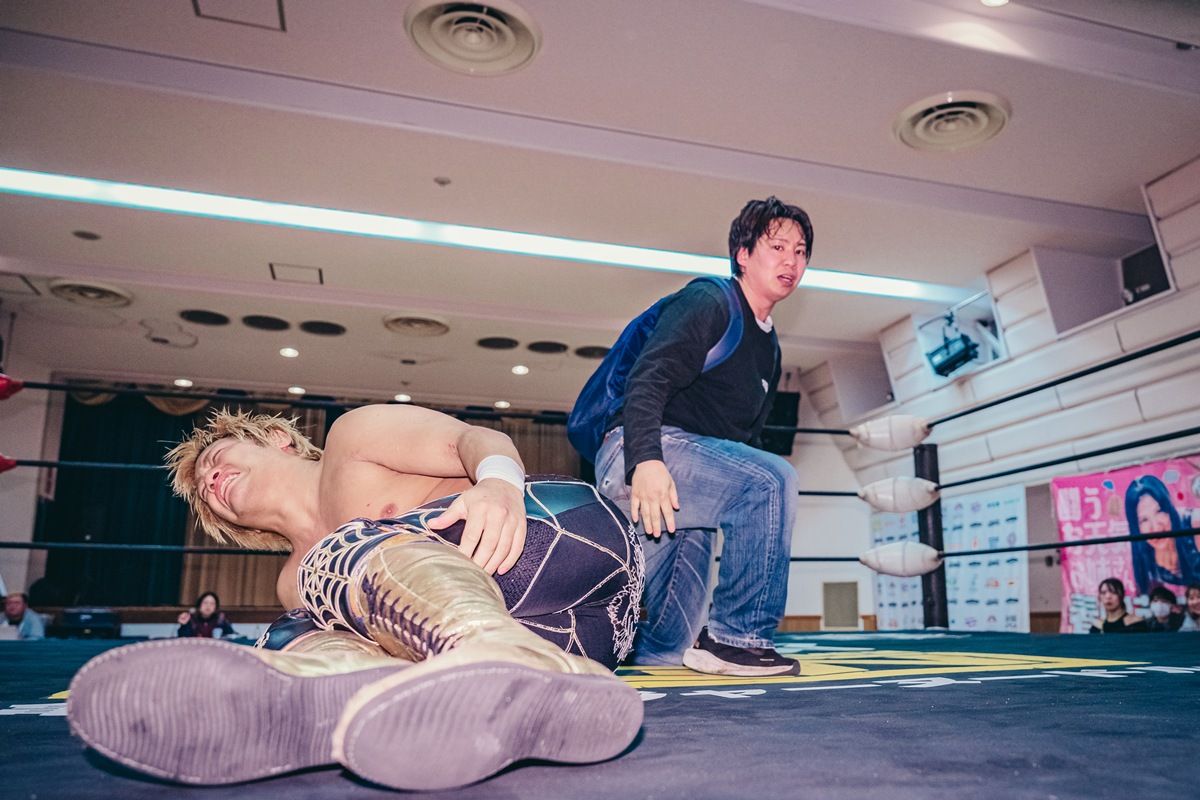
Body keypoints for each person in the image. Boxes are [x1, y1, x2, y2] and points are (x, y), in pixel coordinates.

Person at [67, 405, 643, 791]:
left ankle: (494, 651)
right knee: (290, 632)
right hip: (581, 642)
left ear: (276, 439)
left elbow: (476, 440)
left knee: (331, 557)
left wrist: (497, 485)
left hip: (561, 535)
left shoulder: (351, 439)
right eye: (205, 490)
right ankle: (350, 703)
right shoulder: (290, 580)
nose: (211, 479)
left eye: (218, 459)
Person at [591, 196, 811, 677]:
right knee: (771, 480)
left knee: (670, 647)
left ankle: (652, 659)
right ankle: (737, 638)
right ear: (743, 255)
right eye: (777, 247)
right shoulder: (711, 301)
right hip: (641, 453)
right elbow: (647, 378)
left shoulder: (770, 348)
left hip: (691, 487)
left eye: (800, 252)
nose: (791, 261)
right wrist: (646, 461)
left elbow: (742, 443)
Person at [1125, 476, 1199, 594]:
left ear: (1169, 509)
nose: (1156, 528)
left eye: (1159, 511)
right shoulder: (1144, 556)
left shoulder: (1193, 525)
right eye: (1144, 520)